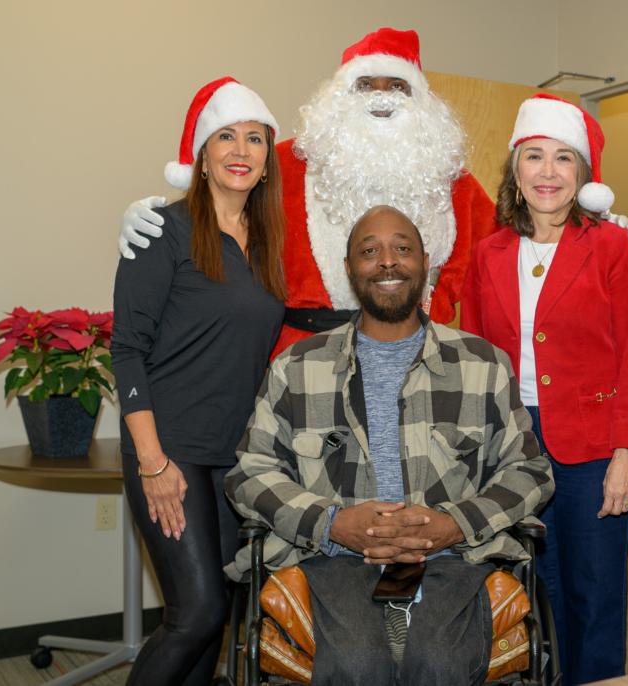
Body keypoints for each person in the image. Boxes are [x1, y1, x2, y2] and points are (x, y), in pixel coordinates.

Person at [116, 27, 628, 357]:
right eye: (366, 85)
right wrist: (155, 217)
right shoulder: (287, 162)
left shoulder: (452, 179)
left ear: (421, 102)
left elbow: (524, 238)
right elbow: (225, 199)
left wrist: (600, 228)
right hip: (303, 360)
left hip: (416, 360)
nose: (381, 98)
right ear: (341, 95)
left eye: (398, 87)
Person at [225, 205, 554, 686]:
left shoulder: (482, 365)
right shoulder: (297, 366)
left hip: (454, 560)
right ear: (349, 268)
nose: (387, 261)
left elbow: (530, 471)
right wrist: (332, 523)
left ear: (425, 264)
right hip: (332, 559)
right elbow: (251, 472)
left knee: (440, 664)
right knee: (357, 665)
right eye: (369, 251)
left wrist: (454, 524)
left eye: (403, 248)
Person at [461, 94, 628, 684]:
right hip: (513, 445)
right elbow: (474, 357)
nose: (547, 172)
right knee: (529, 593)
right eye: (534, 157)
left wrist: (627, 454)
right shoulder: (488, 253)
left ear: (582, 174)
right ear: (515, 170)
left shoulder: (612, 248)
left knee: (593, 595)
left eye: (563, 158)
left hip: (594, 449)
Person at [111, 76, 286, 685]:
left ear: (267, 159)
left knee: (218, 617)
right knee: (196, 612)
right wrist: (152, 461)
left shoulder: (269, 243)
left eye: (255, 139)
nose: (241, 150)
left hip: (233, 456)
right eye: (226, 137)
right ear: (202, 156)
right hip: (170, 447)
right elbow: (127, 351)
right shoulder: (162, 230)